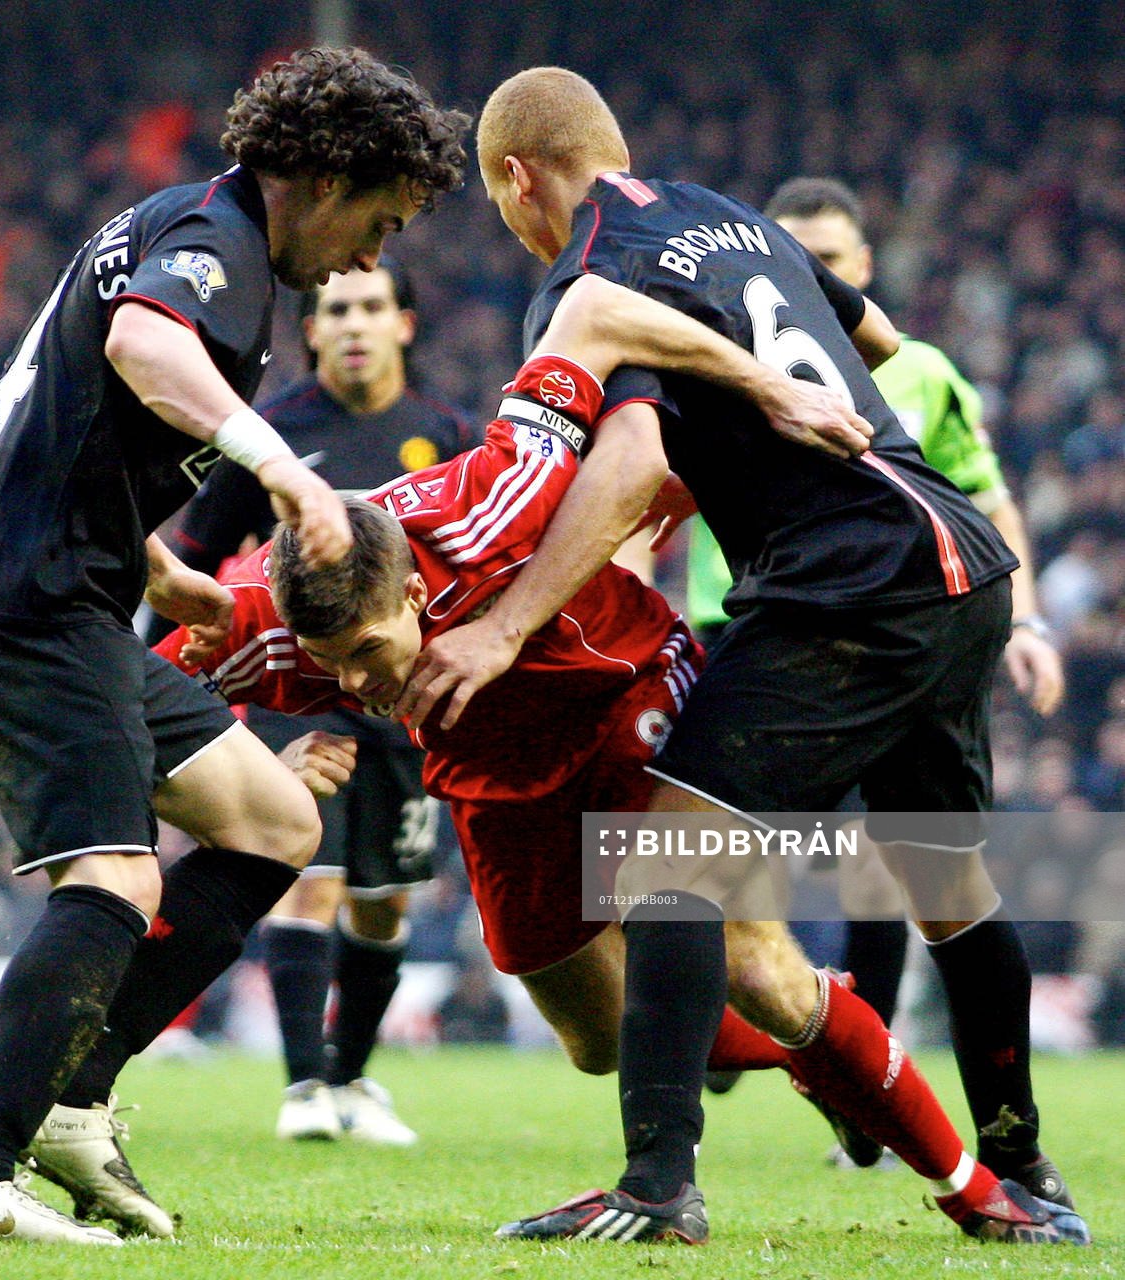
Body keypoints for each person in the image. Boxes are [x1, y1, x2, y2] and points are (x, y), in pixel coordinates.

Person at [165, 332, 1084, 1248]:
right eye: (335, 669)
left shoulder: (494, 502)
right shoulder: (260, 626)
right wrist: (252, 775)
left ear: (412, 594)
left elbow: (614, 399)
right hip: (497, 778)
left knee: (753, 961)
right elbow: (138, 713)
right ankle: (820, 1055)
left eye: (368, 655)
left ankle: (972, 1190)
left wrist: (680, 480)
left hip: (628, 697)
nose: (360, 687)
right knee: (598, 1042)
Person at [394, 67, 1087, 1245]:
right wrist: (717, 447)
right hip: (953, 555)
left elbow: (615, 465)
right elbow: (879, 336)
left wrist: (505, 624)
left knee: (669, 853)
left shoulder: (592, 273)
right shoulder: (735, 217)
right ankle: (1024, 1172)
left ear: (518, 178)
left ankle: (658, 1188)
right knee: (946, 885)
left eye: (501, 205)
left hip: (847, 579)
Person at [0, 47, 470, 1245]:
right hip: (16, 600)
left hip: (68, 589)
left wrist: (161, 568)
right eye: (380, 220)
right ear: (324, 173)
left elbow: (58, 421)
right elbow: (138, 353)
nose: (372, 255)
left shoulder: (201, 237)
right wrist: (285, 473)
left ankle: (74, 1088)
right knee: (115, 876)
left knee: (273, 818)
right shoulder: (219, 245)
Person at [690, 178, 1066, 1153]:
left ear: (858, 273)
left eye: (834, 258)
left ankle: (868, 1099)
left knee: (882, 867)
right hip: (733, 624)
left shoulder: (923, 372)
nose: (813, 270)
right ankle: (745, 1050)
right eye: (797, 251)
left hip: (891, 616)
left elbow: (984, 492)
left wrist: (1030, 626)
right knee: (717, 883)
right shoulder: (719, 352)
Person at [166, 260, 475, 1146]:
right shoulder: (266, 436)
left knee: (385, 901)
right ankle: (303, 1086)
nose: (354, 325)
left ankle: (351, 1080)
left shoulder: (448, 434)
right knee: (313, 883)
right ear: (309, 330)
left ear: (405, 325)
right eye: (336, 309)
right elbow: (197, 556)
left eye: (373, 308)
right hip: (296, 695)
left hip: (403, 698)